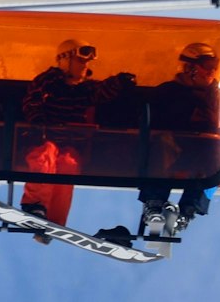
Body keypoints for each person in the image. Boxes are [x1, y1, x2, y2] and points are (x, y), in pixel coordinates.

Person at [17, 38, 136, 243]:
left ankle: (53, 221)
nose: (85, 66)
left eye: (87, 63)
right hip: (42, 138)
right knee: (46, 156)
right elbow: (32, 102)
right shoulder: (48, 81)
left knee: (68, 164)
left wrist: (119, 81)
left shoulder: (85, 89)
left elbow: (100, 93)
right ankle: (34, 206)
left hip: (69, 143)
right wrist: (39, 124)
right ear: (65, 60)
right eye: (81, 61)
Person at [135, 42, 220, 233]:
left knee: (214, 155)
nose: (212, 71)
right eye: (207, 66)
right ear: (190, 68)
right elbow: (148, 123)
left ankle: (186, 212)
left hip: (198, 154)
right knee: (163, 142)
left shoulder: (217, 98)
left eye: (215, 66)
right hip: (169, 151)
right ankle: (155, 203)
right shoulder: (167, 92)